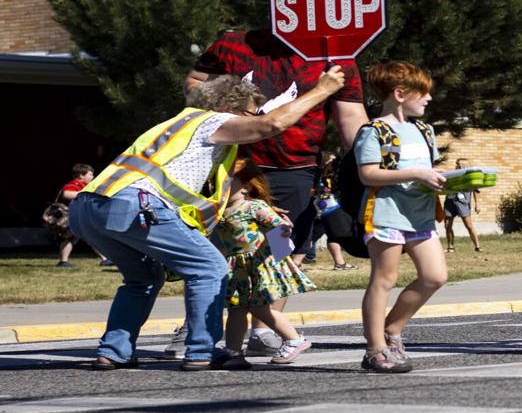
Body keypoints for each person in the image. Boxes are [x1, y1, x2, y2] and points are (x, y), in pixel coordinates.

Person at [70, 69, 346, 370]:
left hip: (88, 208)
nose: (247, 122)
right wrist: (323, 90)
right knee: (210, 268)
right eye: (247, 114)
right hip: (134, 204)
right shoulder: (211, 121)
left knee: (144, 279)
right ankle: (202, 351)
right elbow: (272, 124)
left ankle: (113, 351)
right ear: (230, 106)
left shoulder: (175, 123)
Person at [187, 28, 367, 353]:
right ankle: (200, 327)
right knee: (220, 248)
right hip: (235, 162)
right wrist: (221, 110)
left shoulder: (336, 55)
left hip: (295, 169)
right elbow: (195, 82)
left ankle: (264, 329)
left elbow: (350, 116)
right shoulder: (234, 43)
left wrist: (367, 167)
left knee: (279, 250)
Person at [354, 61, 448, 374]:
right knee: (384, 279)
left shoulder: (424, 130)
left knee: (435, 276)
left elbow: (426, 170)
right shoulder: (373, 131)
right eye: (423, 93)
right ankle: (375, 349)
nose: (428, 99)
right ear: (399, 93)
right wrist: (417, 173)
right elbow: (367, 174)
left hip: (420, 216)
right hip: (386, 213)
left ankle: (392, 329)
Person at [212, 160, 316, 367]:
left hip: (259, 264)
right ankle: (233, 352)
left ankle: (295, 339)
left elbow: (278, 224)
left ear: (247, 186)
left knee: (259, 308)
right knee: (236, 310)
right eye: (217, 183)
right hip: (238, 268)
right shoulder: (220, 212)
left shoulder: (253, 206)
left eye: (226, 182)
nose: (220, 187)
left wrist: (284, 228)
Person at [51, 164, 94, 268]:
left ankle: (105, 259)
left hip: (76, 217)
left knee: (88, 237)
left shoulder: (83, 186)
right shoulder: (75, 184)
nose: (93, 177)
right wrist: (85, 194)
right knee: (71, 238)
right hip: (69, 217)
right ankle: (63, 261)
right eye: (90, 174)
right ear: (81, 176)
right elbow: (67, 194)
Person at [444, 158, 482, 253]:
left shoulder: (470, 177)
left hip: (462, 202)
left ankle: (477, 246)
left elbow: (476, 191)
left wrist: (477, 204)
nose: (456, 165)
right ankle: (450, 247)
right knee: (447, 226)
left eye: (458, 164)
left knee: (468, 226)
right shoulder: (452, 175)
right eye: (456, 164)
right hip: (450, 200)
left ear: (463, 165)